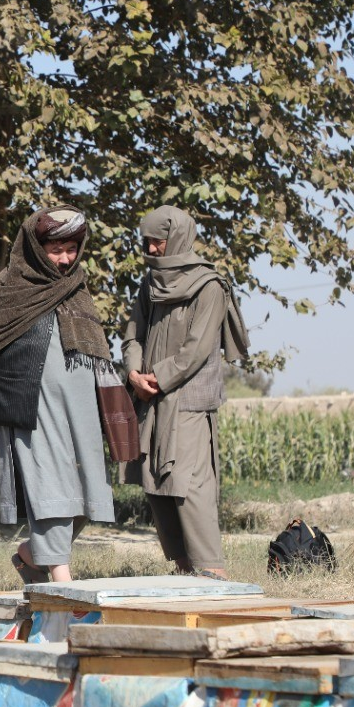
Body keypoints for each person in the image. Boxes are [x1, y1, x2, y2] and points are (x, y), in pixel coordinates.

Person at [0, 207, 116, 584]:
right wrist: (16, 383)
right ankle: (64, 584)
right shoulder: (7, 288)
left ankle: (31, 556)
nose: (65, 259)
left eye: (71, 249)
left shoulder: (77, 287)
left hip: (81, 406)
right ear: (35, 247)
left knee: (89, 491)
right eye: (56, 250)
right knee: (51, 487)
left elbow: (94, 346)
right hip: (34, 404)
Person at [121, 205, 250, 580]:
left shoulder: (209, 286)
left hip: (189, 401)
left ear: (177, 238)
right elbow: (133, 335)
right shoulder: (149, 284)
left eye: (157, 242)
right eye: (146, 242)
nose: (151, 249)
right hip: (151, 398)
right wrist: (134, 373)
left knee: (189, 484)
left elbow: (196, 350)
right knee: (156, 482)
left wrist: (156, 378)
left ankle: (212, 570)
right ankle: (185, 569)